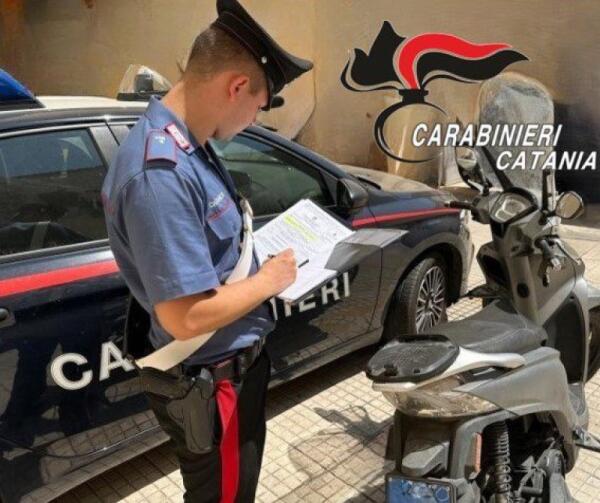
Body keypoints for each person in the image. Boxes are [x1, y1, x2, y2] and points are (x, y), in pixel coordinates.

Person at [101, 0, 313, 501]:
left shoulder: (189, 144)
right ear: (237, 87)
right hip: (213, 386)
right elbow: (186, 316)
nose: (253, 121)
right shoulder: (160, 174)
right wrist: (269, 281)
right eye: (259, 107)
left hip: (229, 373)